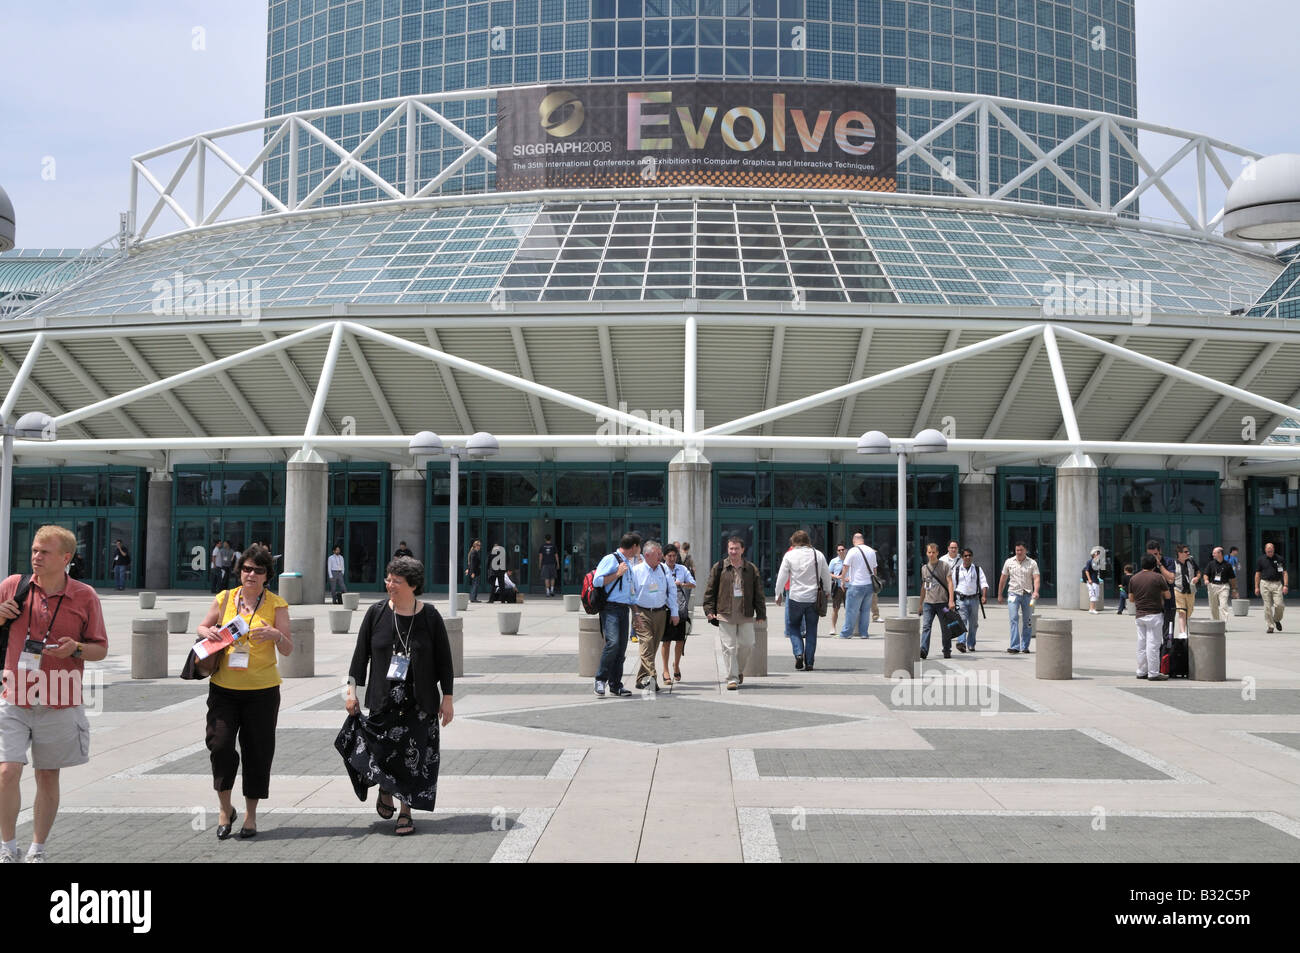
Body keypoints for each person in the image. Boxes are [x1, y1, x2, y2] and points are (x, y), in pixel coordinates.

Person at [0, 525, 109, 863]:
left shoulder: (84, 596)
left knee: (47, 774)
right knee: (6, 772)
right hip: (13, 695)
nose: (36, 556)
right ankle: (7, 847)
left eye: (44, 552)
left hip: (59, 699)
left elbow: (100, 649)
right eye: (34, 550)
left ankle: (37, 849)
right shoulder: (12, 586)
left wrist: (76, 649)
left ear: (65, 558)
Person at [341, 556, 453, 836]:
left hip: (419, 703)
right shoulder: (376, 613)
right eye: (388, 579)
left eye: (396, 581)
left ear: (413, 585)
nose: (390, 584)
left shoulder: (430, 617)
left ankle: (406, 811)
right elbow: (359, 657)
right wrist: (351, 691)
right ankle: (384, 789)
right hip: (383, 699)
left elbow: (445, 661)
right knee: (383, 753)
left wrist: (447, 698)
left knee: (412, 759)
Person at [195, 544, 293, 841]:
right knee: (220, 746)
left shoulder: (277, 605)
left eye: (258, 570)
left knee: (258, 753)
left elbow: (288, 649)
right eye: (247, 569)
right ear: (240, 571)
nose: (251, 574)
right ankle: (226, 809)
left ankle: (250, 816)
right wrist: (207, 632)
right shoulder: (225, 598)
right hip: (224, 689)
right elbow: (202, 626)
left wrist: (277, 635)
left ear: (267, 576)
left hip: (263, 691)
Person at [703, 536, 766, 691]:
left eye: (736, 548)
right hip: (725, 613)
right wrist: (709, 610)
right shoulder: (719, 567)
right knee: (729, 647)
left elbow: (758, 592)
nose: (733, 551)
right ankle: (732, 678)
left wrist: (761, 613)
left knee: (747, 644)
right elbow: (710, 590)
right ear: (727, 549)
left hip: (745, 613)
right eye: (731, 548)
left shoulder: (750, 568)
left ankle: (737, 671)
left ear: (742, 550)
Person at [592, 533, 641, 697]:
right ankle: (600, 679)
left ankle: (615, 685)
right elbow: (597, 581)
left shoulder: (628, 563)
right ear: (633, 547)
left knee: (621, 649)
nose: (639, 550)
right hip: (610, 608)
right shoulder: (611, 559)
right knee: (612, 643)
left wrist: (636, 614)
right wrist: (617, 574)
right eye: (638, 547)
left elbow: (630, 592)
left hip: (623, 609)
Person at [774, 530, 831, 671]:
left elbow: (782, 576)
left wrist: (778, 593)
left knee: (793, 627)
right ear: (808, 540)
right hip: (813, 598)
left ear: (794, 541)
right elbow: (826, 575)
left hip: (795, 597)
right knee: (812, 629)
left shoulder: (790, 555)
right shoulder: (818, 554)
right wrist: (828, 591)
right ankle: (810, 662)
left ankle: (798, 653)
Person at [630, 542, 677, 692]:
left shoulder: (663, 569)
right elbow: (631, 595)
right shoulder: (636, 571)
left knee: (653, 647)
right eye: (658, 554)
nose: (661, 557)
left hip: (660, 613)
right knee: (647, 644)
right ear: (648, 555)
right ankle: (652, 677)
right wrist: (635, 613)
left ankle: (640, 679)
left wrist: (674, 612)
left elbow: (672, 590)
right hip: (641, 613)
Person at [1130, 554, 1171, 681]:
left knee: (1141, 644)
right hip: (1154, 614)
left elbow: (1131, 599)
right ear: (1154, 565)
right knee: (1153, 645)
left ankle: (1141, 671)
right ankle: (1153, 673)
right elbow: (1168, 595)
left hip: (1140, 615)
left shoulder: (1134, 578)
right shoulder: (1158, 577)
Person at [660, 544, 695, 683]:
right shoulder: (660, 569)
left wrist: (681, 584)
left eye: (674, 556)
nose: (672, 558)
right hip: (665, 608)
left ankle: (676, 665)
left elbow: (693, 583)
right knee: (666, 641)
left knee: (680, 640)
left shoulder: (682, 569)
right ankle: (665, 670)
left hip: (680, 608)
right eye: (669, 556)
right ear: (664, 557)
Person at [997, 541, 1040, 654]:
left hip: (1027, 595)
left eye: (1021, 550)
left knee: (1028, 621)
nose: (1019, 552)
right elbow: (1003, 579)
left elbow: (1036, 578)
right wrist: (1000, 594)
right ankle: (1015, 646)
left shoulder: (1032, 563)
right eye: (1017, 550)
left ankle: (1025, 646)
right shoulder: (1009, 562)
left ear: (1025, 550)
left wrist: (1036, 591)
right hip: (1013, 594)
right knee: (1013, 619)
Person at [918, 542, 956, 659]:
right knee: (926, 627)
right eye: (929, 552)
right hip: (929, 603)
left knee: (945, 627)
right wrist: (920, 604)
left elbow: (950, 583)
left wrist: (951, 600)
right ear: (926, 553)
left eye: (933, 552)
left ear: (938, 553)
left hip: (942, 602)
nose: (931, 554)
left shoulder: (944, 566)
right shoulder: (924, 568)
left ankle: (947, 649)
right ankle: (923, 650)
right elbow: (924, 586)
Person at [839, 532, 877, 639]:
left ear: (854, 540)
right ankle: (864, 633)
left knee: (851, 610)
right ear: (863, 540)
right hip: (869, 584)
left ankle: (846, 633)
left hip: (856, 585)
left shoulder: (852, 551)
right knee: (865, 611)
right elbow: (874, 570)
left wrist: (842, 580)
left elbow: (845, 567)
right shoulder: (871, 551)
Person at [951, 548, 988, 652]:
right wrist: (951, 600)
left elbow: (983, 583)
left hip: (974, 599)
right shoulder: (957, 570)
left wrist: (984, 595)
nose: (968, 557)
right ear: (962, 557)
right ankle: (961, 642)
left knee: (973, 623)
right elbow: (952, 585)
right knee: (962, 621)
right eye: (965, 556)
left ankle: (971, 643)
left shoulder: (977, 569)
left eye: (969, 555)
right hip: (961, 599)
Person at [1254, 542, 1288, 634]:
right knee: (1267, 606)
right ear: (1265, 550)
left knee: (1280, 605)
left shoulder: (1279, 559)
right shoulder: (1261, 560)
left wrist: (1285, 585)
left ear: (1274, 550)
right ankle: (1270, 626)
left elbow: (1284, 573)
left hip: (1277, 584)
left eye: (1271, 551)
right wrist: (1256, 587)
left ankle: (1276, 619)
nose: (1270, 552)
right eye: (1268, 551)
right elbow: (1257, 574)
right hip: (1265, 584)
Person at [1171, 544, 1201, 636]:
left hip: (1191, 590)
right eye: (1185, 552)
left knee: (1189, 611)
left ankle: (1184, 626)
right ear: (1179, 553)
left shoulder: (1191, 561)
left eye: (1188, 551)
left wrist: (1197, 578)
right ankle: (1182, 632)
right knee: (1182, 611)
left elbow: (1198, 571)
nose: (1188, 553)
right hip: (1178, 590)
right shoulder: (1173, 564)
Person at [1204, 546, 1235, 622]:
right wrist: (1206, 580)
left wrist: (1234, 589)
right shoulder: (1211, 564)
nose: (1213, 554)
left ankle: (1223, 624)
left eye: (1214, 553)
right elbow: (1205, 574)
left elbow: (1232, 578)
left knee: (1223, 605)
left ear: (1220, 553)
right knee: (1213, 606)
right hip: (1212, 586)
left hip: (1224, 586)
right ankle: (1216, 622)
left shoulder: (1228, 565)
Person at [828, 543, 847, 633]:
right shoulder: (834, 561)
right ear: (837, 552)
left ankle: (847, 628)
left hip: (849, 587)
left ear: (845, 550)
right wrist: (837, 577)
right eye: (839, 550)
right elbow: (828, 573)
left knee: (849, 609)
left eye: (842, 549)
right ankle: (833, 627)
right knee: (835, 608)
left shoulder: (849, 560)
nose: (841, 551)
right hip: (838, 587)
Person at [1083, 547, 1103, 614]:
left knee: (1095, 594)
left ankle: (1092, 608)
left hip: (1096, 580)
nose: (1098, 555)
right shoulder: (1090, 561)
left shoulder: (1097, 562)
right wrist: (1089, 579)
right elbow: (1087, 571)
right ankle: (1092, 609)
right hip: (1092, 581)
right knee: (1093, 594)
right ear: (1094, 554)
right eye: (1097, 553)